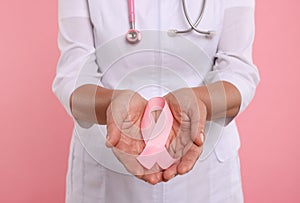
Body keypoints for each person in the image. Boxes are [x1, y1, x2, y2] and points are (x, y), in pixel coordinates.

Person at [52, 0, 260, 202]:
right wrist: (112, 105)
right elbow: (73, 75)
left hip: (207, 173)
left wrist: (200, 101)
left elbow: (238, 71)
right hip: (108, 167)